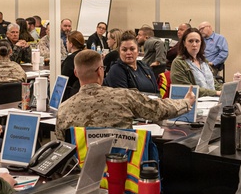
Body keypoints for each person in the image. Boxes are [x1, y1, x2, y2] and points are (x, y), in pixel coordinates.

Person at [55, 49, 194, 140]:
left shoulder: (63, 109)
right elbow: (160, 110)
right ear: (100, 71)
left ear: (75, 73)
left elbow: (62, 146)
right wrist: (186, 102)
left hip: (80, 175)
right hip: (123, 171)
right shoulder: (124, 97)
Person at [170, 27, 221, 97]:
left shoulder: (203, 61)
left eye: (197, 41)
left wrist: (225, 90)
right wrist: (216, 93)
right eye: (190, 41)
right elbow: (187, 90)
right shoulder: (178, 63)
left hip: (212, 100)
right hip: (194, 103)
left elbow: (214, 84)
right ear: (184, 43)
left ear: (201, 43)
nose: (194, 44)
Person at [60, 31, 86, 101]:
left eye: (67, 41)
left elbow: (63, 78)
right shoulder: (85, 55)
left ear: (71, 44)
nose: (66, 43)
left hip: (70, 94)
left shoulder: (71, 59)